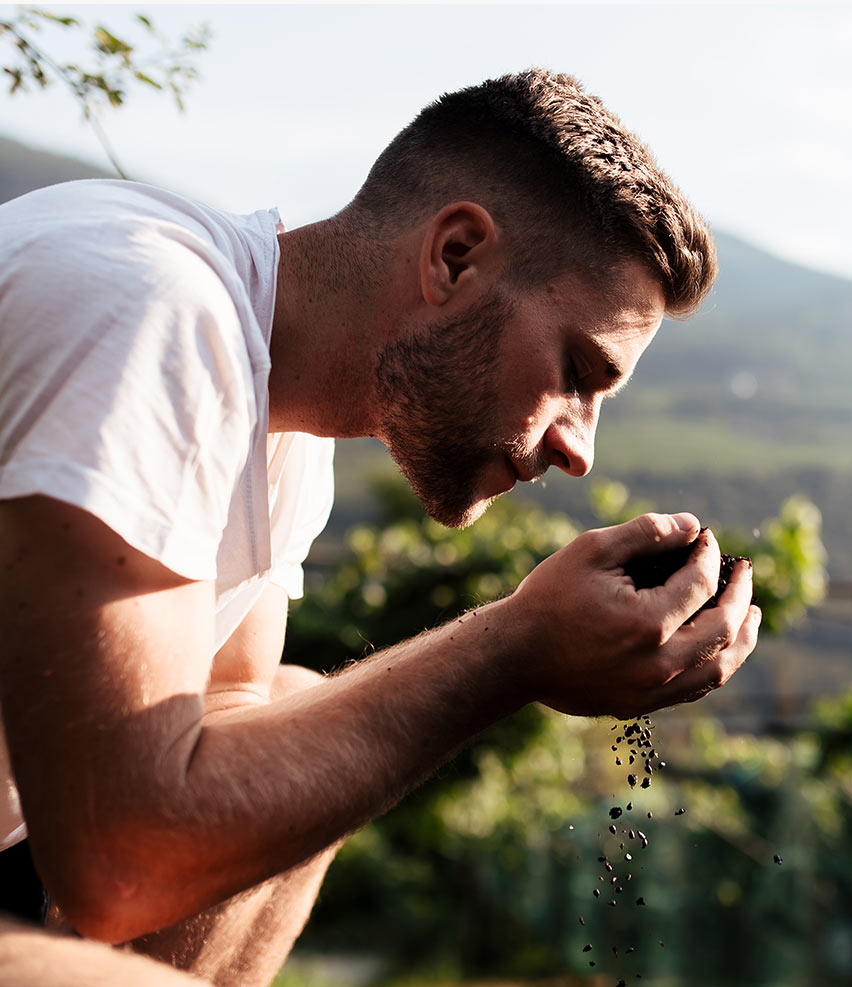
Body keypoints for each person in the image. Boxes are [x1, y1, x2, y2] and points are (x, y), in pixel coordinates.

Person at [0, 69, 760, 986]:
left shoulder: (282, 432)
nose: (578, 448)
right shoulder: (146, 310)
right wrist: (513, 649)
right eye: (577, 370)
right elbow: (119, 862)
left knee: (289, 705)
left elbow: (230, 715)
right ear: (454, 257)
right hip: (70, 853)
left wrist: (521, 643)